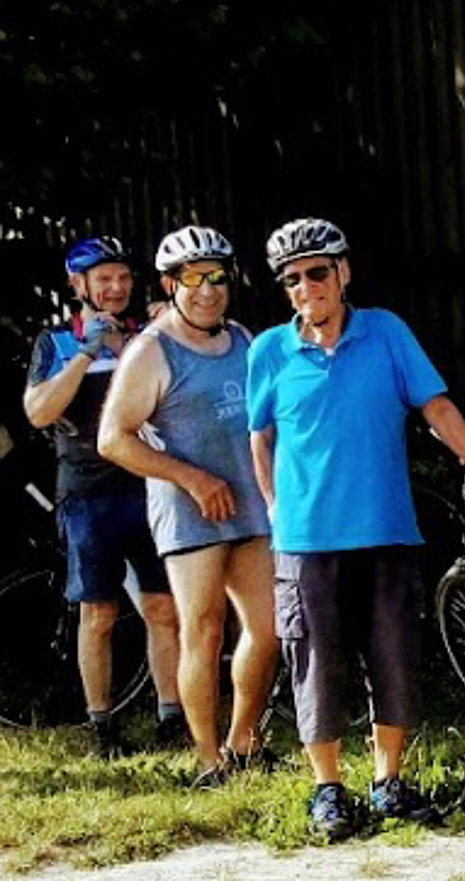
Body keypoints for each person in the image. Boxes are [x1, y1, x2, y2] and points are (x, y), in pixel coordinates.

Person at [248, 218, 465, 840]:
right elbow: (260, 435)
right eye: (294, 280)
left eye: (318, 273)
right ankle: (328, 789)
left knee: (395, 658)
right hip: (306, 540)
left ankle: (388, 782)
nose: (307, 288)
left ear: (344, 273)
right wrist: (274, 505)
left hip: (386, 528)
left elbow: (434, 406)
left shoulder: (386, 332)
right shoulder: (268, 351)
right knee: (315, 663)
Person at [97, 227, 279, 786]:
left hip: (251, 505)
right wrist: (190, 478)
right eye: (194, 278)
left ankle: (243, 741)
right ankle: (207, 759)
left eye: (218, 277)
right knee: (203, 628)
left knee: (269, 629)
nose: (208, 290)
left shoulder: (244, 339)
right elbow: (113, 438)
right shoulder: (151, 350)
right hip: (189, 513)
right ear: (171, 284)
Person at [22, 235, 182, 756]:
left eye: (123, 278)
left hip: (148, 485)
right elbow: (39, 413)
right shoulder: (56, 341)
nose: (116, 289)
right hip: (88, 494)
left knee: (163, 607)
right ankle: (101, 726)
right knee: (99, 613)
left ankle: (171, 717)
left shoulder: (149, 336)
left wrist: (170, 326)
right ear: (78, 286)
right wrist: (86, 352)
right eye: (103, 279)